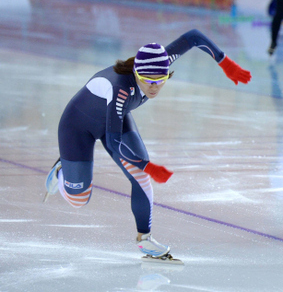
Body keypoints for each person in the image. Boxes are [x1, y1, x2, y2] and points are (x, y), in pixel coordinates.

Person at [44, 29, 251, 259]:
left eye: (160, 81)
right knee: (79, 200)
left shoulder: (161, 60)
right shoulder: (120, 89)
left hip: (116, 120)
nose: (154, 88)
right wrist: (149, 166)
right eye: (147, 82)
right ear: (136, 73)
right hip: (77, 127)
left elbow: (193, 37)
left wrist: (225, 63)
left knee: (140, 178)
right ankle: (63, 170)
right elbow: (114, 144)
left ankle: (145, 239)